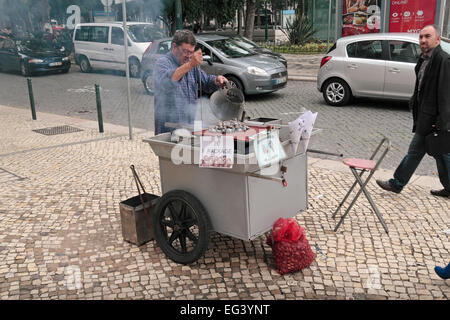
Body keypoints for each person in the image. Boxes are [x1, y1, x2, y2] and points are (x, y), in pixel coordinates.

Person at [376, 25, 450, 197]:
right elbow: (421, 86)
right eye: (421, 37)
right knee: (441, 154)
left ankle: (397, 184)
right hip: (425, 117)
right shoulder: (424, 58)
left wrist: (442, 122)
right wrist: (413, 101)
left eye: (428, 37)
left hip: (434, 120)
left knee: (423, 152)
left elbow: (446, 94)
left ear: (437, 39)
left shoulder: (443, 60)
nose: (423, 40)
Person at [152, 29, 227, 135]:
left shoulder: (191, 66)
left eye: (191, 52)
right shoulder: (162, 63)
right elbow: (168, 81)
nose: (188, 56)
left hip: (188, 126)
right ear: (174, 47)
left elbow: (205, 82)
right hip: (168, 128)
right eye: (185, 51)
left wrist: (217, 80)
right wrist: (191, 64)